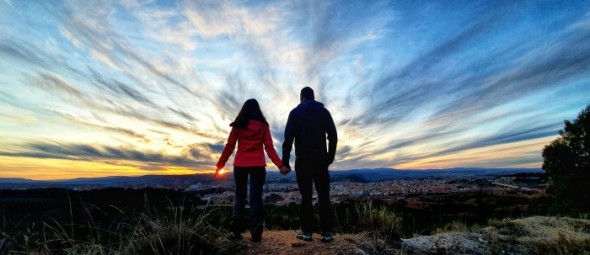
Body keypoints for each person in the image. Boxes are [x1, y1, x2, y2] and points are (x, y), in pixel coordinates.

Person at [215, 98, 289, 242]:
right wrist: (280, 165)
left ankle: (236, 232)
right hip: (258, 166)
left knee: (239, 197)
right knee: (256, 199)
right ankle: (256, 234)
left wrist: (220, 164)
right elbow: (269, 148)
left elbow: (229, 146)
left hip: (240, 165)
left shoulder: (238, 125)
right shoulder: (263, 125)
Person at [282, 87, 337, 242]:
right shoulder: (323, 112)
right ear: (313, 97)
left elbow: (288, 140)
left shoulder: (295, 113)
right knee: (324, 196)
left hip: (303, 160)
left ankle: (307, 232)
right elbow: (333, 136)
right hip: (321, 160)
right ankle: (326, 232)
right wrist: (329, 157)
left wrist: (285, 162)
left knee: (306, 196)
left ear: (301, 97)